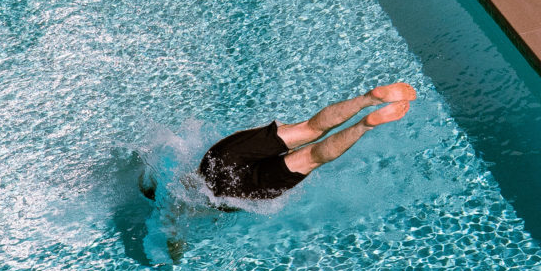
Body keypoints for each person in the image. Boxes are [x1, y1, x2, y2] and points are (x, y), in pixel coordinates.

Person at [145, 83, 418, 207]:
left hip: (234, 190)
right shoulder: (201, 164)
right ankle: (367, 99)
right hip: (221, 157)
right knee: (310, 128)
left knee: (312, 156)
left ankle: (365, 124)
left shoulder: (180, 206)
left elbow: (173, 243)